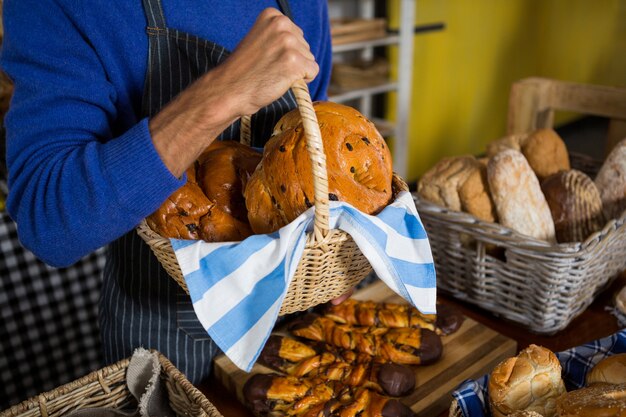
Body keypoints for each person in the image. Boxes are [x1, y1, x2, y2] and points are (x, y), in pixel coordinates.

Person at [0, 0, 334, 384]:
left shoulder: (304, 4)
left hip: (299, 322)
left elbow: (311, 138)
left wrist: (342, 245)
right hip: (170, 343)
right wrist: (219, 96)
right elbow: (49, 223)